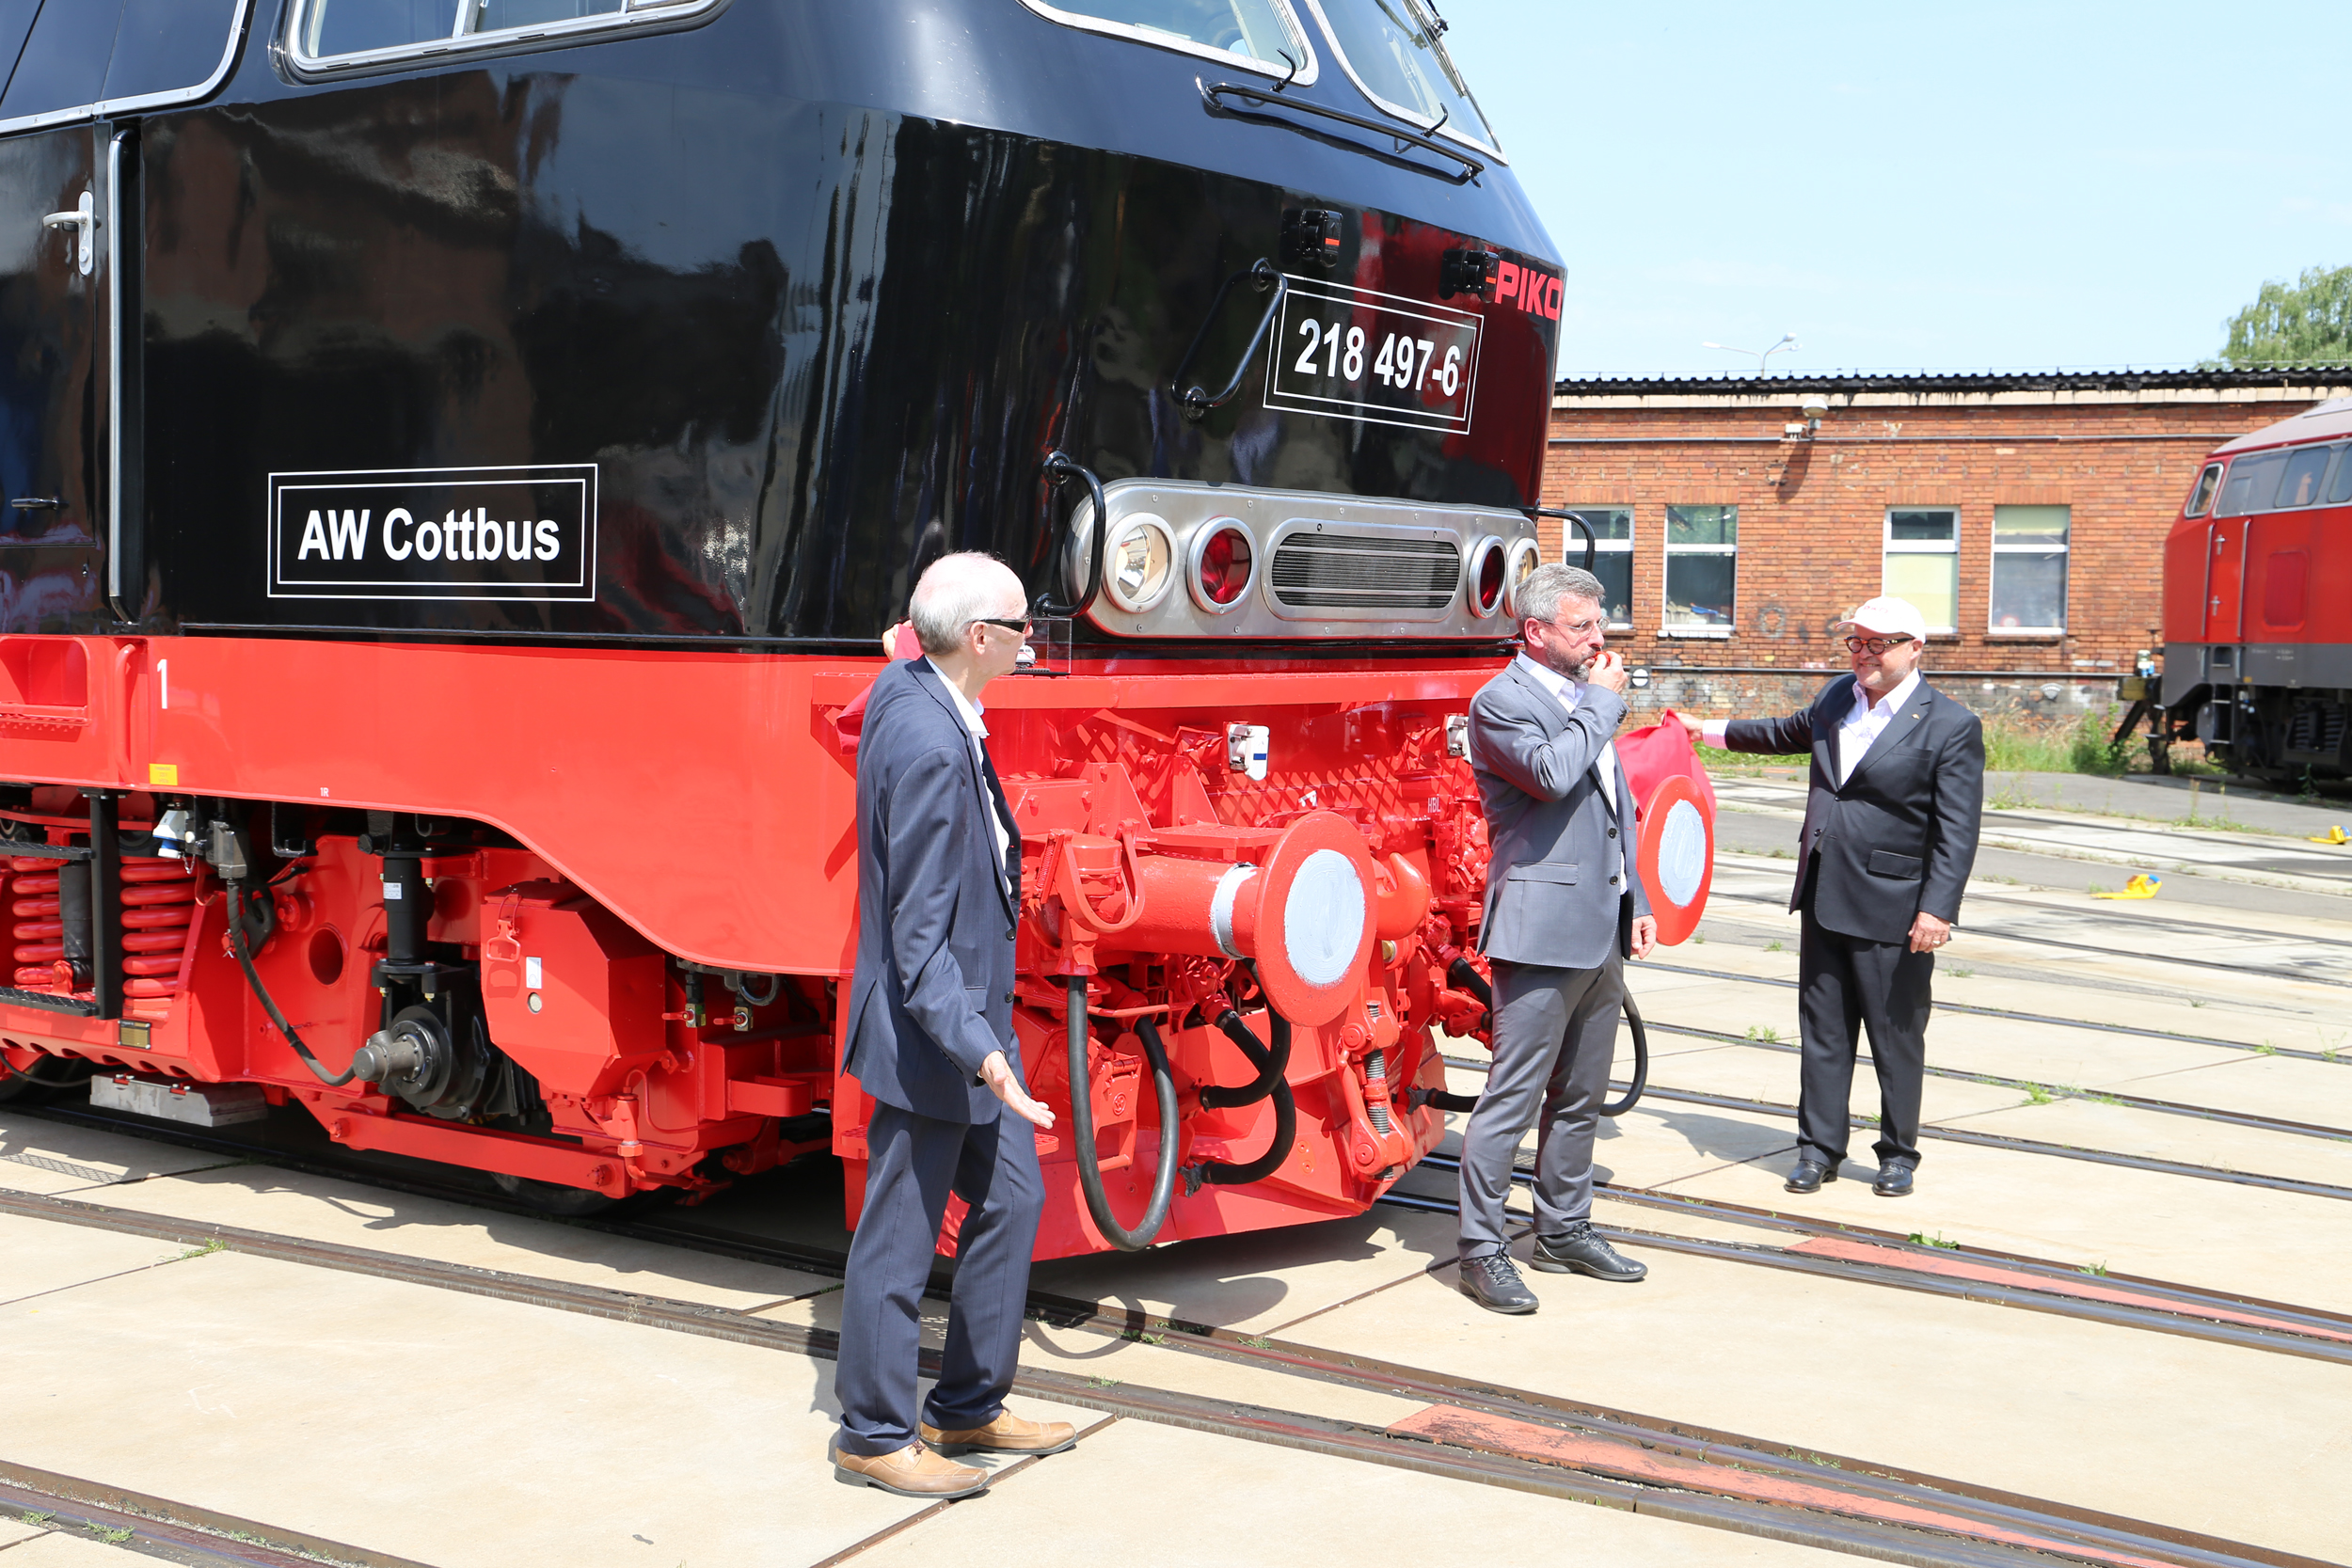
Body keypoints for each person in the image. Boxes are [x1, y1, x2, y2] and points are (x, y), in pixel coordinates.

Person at [832, 552, 1073, 1498]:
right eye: (1020, 625)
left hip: (974, 1028)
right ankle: (873, 1430)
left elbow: (900, 643)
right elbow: (920, 940)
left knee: (1012, 1200)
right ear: (980, 638)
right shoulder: (930, 741)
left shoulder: (915, 685)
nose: (1030, 639)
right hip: (937, 1038)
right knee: (898, 1236)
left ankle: (968, 1403)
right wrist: (983, 1055)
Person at [1677, 596, 1984, 1198]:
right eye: (1856, 643)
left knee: (1895, 1036)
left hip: (1896, 904)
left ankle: (1897, 1153)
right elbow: (1787, 732)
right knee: (1823, 1032)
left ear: (1915, 648)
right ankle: (1818, 1149)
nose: (1864, 655)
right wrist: (1705, 732)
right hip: (1823, 889)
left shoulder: (1950, 724)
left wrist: (1938, 908)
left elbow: (1958, 828)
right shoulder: (1838, 697)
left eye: (1879, 644)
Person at [1456, 562, 1658, 1315]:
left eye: (1599, 626)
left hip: (1598, 923)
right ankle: (1482, 1247)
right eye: (1582, 627)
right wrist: (1602, 704)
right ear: (1535, 632)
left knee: (1581, 1094)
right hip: (1539, 929)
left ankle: (1564, 1227)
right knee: (1513, 1096)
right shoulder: (1501, 702)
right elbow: (1552, 772)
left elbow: (1617, 804)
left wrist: (1633, 894)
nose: (1598, 640)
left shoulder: (1580, 699)